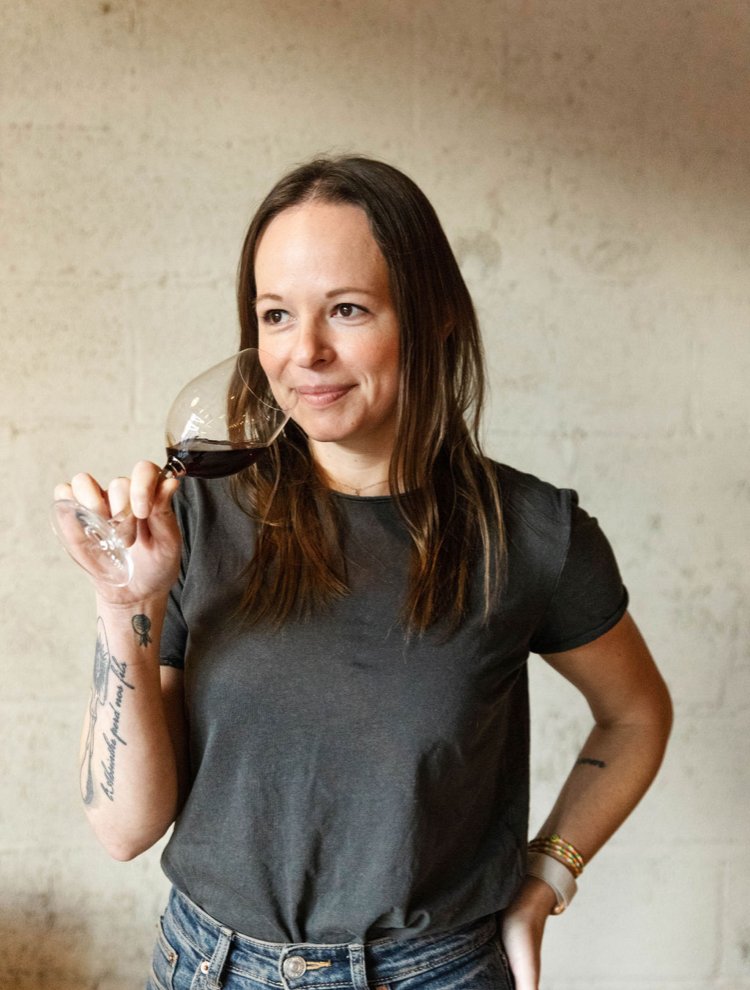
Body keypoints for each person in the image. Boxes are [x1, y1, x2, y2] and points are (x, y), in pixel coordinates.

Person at [56, 156, 672, 990]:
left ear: (434, 317)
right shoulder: (202, 517)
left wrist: (547, 875)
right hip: (207, 966)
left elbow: (634, 715)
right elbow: (125, 830)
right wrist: (123, 601)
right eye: (276, 315)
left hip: (432, 974)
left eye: (346, 310)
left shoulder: (532, 533)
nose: (304, 352)